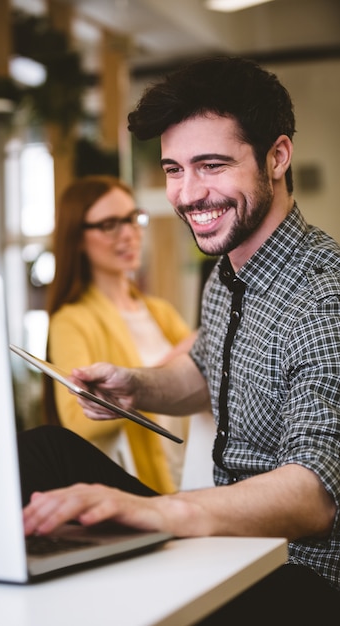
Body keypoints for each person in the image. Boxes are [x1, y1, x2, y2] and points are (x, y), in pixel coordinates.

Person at [18, 56, 340, 622]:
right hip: (225, 548)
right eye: (173, 170)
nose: (188, 194)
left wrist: (161, 513)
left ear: (277, 156)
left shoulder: (324, 294)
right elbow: (206, 369)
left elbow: (315, 495)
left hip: (296, 577)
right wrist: (134, 386)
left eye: (211, 165)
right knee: (43, 450)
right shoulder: (228, 272)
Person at [43, 174, 197, 493]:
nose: (129, 234)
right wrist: (152, 378)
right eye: (109, 224)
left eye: (131, 219)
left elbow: (203, 370)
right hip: (140, 489)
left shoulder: (159, 311)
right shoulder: (71, 320)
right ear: (78, 239)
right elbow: (75, 422)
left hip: (193, 478)